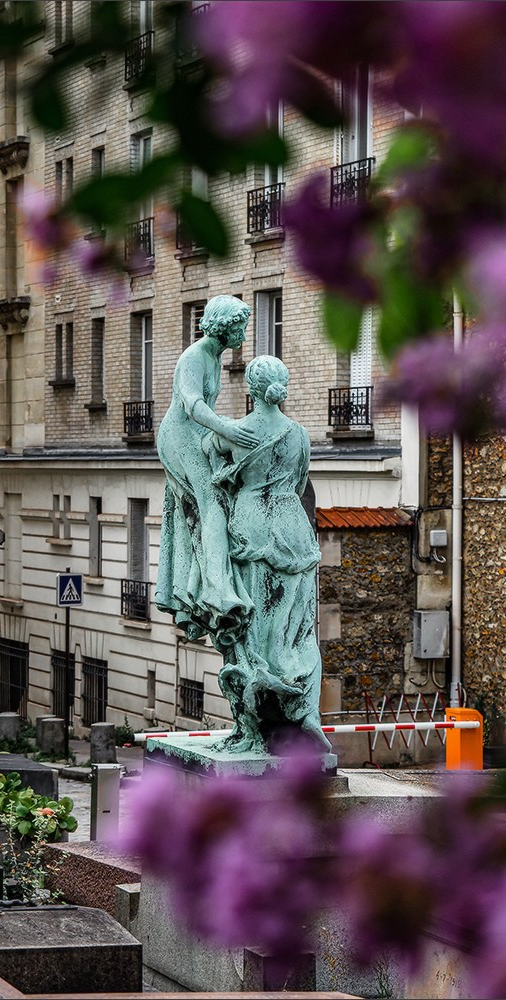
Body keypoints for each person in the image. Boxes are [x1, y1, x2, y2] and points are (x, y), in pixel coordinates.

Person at [206, 355, 331, 753]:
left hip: (252, 521)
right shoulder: (299, 434)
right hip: (291, 524)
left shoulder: (233, 431)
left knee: (252, 624)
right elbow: (298, 483)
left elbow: (210, 471)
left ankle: (254, 723)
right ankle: (303, 705)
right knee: (297, 623)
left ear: (251, 389)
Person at [155, 295, 258, 654]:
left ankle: (202, 582)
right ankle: (219, 590)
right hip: (180, 437)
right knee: (212, 505)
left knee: (203, 512)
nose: (244, 336)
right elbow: (192, 404)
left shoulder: (214, 357)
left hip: (198, 436)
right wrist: (226, 429)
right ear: (224, 326)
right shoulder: (194, 357)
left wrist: (222, 430)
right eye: (240, 327)